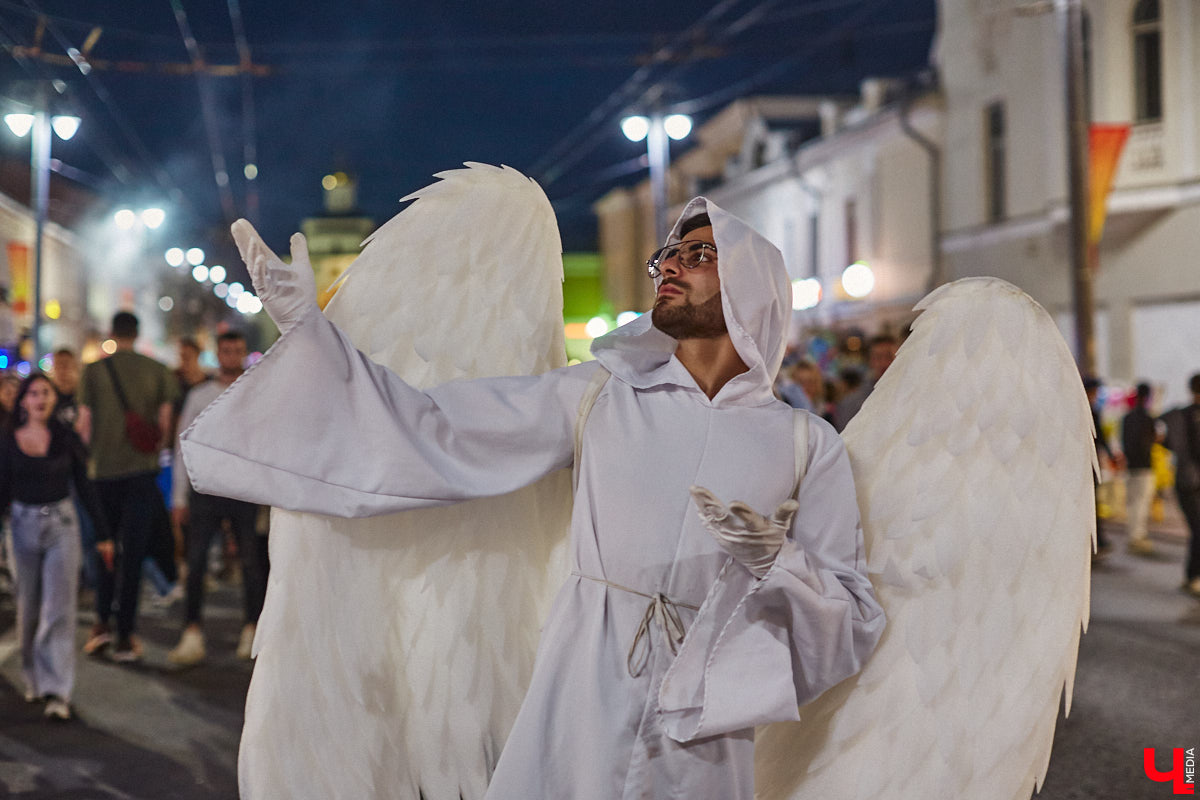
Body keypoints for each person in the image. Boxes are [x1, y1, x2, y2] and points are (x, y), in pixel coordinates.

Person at [182, 200, 885, 798]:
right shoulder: (600, 397)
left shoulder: (803, 444)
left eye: (697, 253)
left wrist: (781, 563)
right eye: (666, 254)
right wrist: (311, 331)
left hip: (709, 715)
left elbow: (851, 617)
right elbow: (438, 428)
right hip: (583, 688)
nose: (668, 264)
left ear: (753, 284)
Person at [0, 373, 112, 719]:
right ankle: (32, 675)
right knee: (28, 606)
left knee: (59, 608)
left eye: (45, 393)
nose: (40, 399)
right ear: (23, 401)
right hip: (21, 525)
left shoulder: (66, 438)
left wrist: (104, 534)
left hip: (62, 525)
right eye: (33, 393)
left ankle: (57, 690)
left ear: (54, 399)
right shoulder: (7, 440)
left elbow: (85, 486)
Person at [77, 312, 178, 662]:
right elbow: (165, 424)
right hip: (141, 473)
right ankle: (125, 636)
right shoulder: (158, 370)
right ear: (137, 333)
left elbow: (84, 426)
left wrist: (87, 462)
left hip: (102, 474)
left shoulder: (93, 371)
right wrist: (156, 450)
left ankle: (101, 623)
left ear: (111, 332)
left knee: (105, 549)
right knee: (133, 554)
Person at [168, 330, 266, 665]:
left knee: (253, 564)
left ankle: (252, 629)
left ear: (243, 353)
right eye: (225, 350)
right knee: (195, 564)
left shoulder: (255, 392)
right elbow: (183, 445)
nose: (231, 356)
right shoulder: (200, 395)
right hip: (205, 489)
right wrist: (178, 496)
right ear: (218, 354)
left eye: (237, 350)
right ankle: (191, 631)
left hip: (244, 489)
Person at [1163, 374, 1200, 597]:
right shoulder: (1188, 416)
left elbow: (1167, 441)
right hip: (1190, 483)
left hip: (1186, 481)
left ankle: (1192, 575)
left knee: (1197, 530)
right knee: (1198, 529)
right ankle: (1193, 576)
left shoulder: (1178, 415)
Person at [1121, 382, 1158, 556]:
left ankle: (1133, 535)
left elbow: (1124, 442)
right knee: (1141, 503)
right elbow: (1149, 442)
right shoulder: (1148, 418)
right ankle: (1137, 536)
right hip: (1144, 466)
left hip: (1130, 466)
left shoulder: (1127, 418)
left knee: (1132, 502)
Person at [833, 334, 896, 431]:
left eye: (889, 357)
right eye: (878, 357)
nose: (884, 363)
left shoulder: (911, 395)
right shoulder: (853, 402)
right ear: (871, 361)